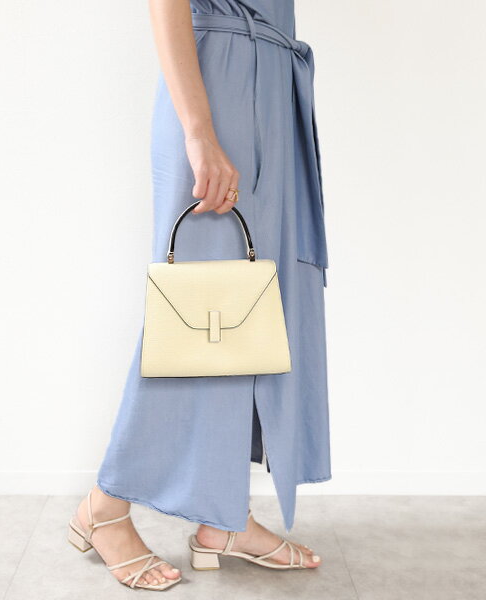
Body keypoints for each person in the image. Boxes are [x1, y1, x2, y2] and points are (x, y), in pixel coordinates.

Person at [68, 0, 331, 590]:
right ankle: (105, 506)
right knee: (196, 315)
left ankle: (223, 519)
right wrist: (199, 131)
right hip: (216, 88)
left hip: (273, 92)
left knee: (253, 313)